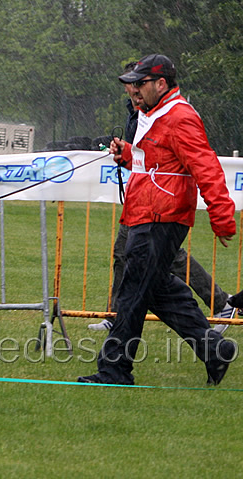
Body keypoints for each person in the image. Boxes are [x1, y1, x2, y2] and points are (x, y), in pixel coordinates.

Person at [78, 54, 236, 386]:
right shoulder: (152, 113)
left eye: (140, 83)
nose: (133, 90)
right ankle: (214, 350)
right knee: (158, 289)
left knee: (133, 291)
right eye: (130, 85)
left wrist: (222, 216)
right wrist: (126, 155)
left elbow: (205, 166)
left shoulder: (179, 116)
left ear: (161, 84)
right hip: (146, 213)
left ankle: (115, 370)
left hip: (161, 216)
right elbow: (154, 159)